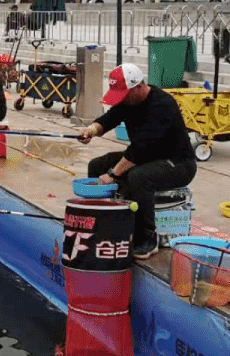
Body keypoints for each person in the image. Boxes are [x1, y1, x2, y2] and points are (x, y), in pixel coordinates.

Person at [78, 63, 196, 260]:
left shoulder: (162, 104)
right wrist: (90, 131)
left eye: (124, 95)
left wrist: (113, 174)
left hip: (178, 163)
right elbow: (108, 119)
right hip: (146, 157)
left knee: (139, 177)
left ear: (139, 87)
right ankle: (105, 221)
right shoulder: (129, 102)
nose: (121, 100)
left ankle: (147, 238)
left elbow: (140, 150)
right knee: (97, 165)